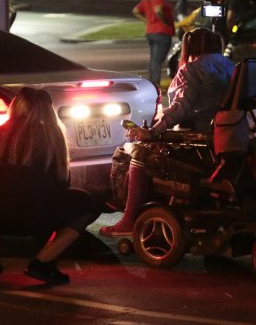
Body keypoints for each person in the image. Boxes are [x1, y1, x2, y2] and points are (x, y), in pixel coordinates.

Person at [100, 29, 235, 237]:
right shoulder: (230, 66)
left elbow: (182, 107)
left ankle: (129, 218)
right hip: (225, 135)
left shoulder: (192, 68)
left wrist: (153, 131)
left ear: (190, 46)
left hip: (200, 136)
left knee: (138, 151)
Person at [0, 87, 95, 285]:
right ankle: (43, 262)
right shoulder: (50, 136)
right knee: (85, 202)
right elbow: (60, 183)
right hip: (32, 216)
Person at [132, 0, 175, 85]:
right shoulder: (160, 1)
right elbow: (158, 10)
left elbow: (135, 11)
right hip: (162, 32)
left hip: (150, 32)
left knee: (154, 59)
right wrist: (164, 21)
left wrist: (146, 21)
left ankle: (153, 81)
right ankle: (155, 83)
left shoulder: (146, 1)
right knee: (157, 60)